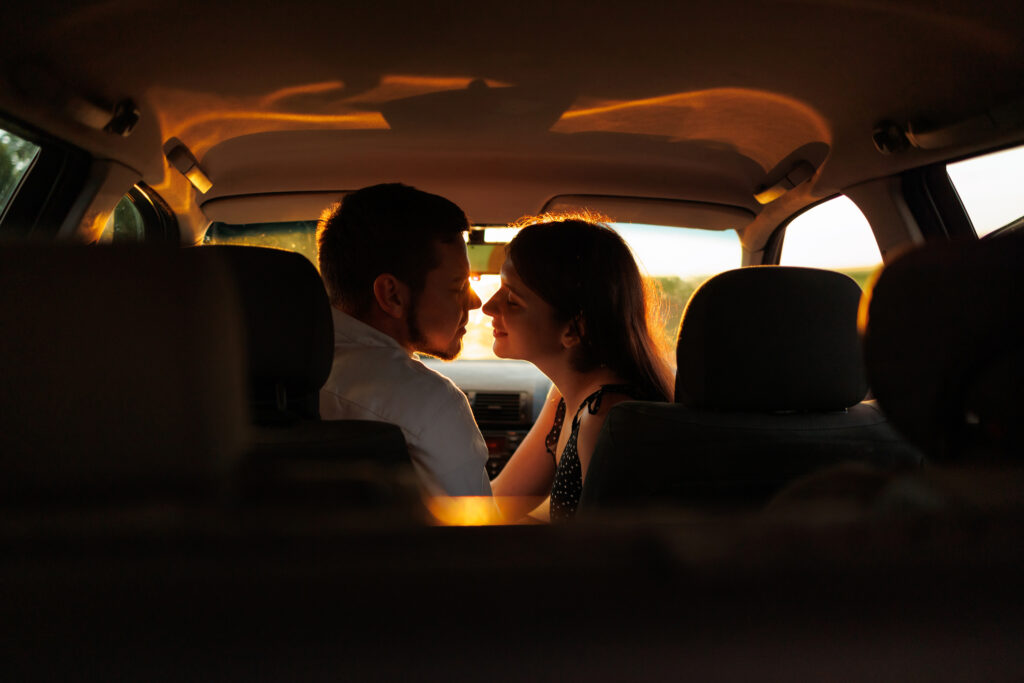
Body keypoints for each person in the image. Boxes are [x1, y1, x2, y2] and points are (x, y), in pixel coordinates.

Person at [483, 214, 674, 521]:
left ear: (573, 329)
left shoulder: (605, 417)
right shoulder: (566, 398)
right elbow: (498, 505)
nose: (488, 306)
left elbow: (604, 554)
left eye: (512, 299)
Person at [317, 183, 492, 498]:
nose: (476, 301)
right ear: (392, 294)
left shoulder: (246, 387)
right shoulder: (431, 403)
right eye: (458, 286)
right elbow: (478, 539)